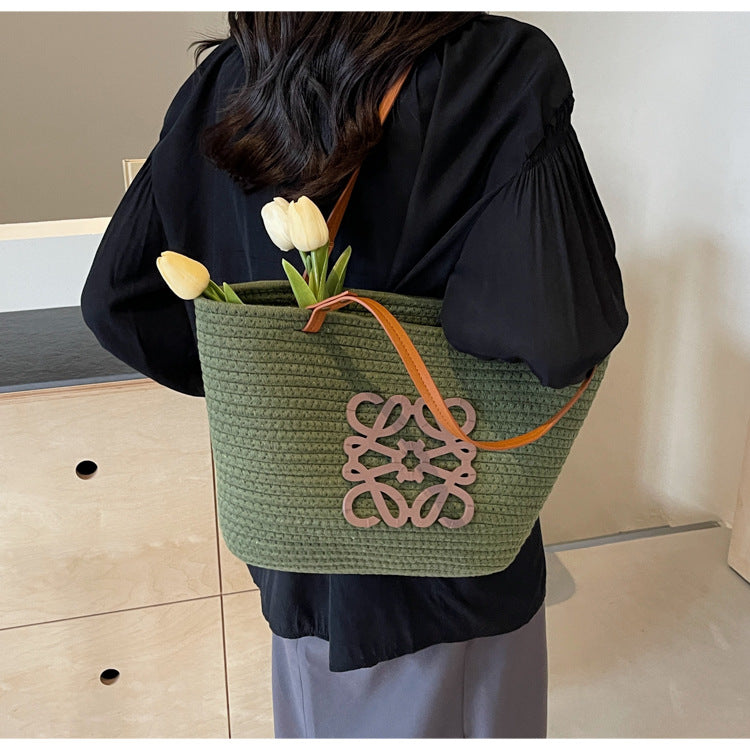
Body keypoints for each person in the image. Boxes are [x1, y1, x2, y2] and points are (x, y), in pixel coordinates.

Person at [80, 11, 629, 739]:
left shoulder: (230, 76)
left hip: (294, 551)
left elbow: (117, 301)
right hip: (443, 536)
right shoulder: (495, 67)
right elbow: (557, 336)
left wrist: (269, 390)